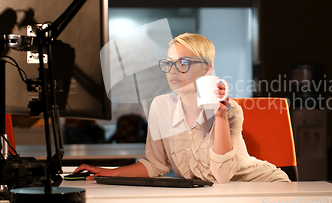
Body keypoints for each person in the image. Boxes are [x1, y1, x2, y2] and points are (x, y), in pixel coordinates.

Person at [74, 33, 290, 183]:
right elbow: (156, 166)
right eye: (168, 63)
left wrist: (221, 116)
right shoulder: (160, 106)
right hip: (210, 197)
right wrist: (107, 173)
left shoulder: (229, 110)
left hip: (260, 187)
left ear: (207, 69)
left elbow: (223, 176)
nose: (173, 70)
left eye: (184, 62)